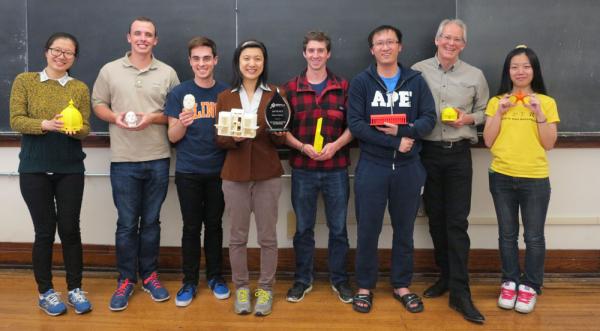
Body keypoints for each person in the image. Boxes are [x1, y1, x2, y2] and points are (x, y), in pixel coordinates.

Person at [92, 17, 179, 311]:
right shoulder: (110, 70)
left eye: (149, 35)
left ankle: (150, 275)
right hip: (124, 159)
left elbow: (177, 114)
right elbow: (97, 104)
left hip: (157, 157)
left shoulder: (167, 73)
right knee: (127, 224)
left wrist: (151, 118)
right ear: (128, 37)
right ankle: (126, 279)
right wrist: (115, 117)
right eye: (138, 33)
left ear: (156, 40)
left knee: (151, 222)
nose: (143, 38)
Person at [347, 25, 436, 314]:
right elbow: (357, 125)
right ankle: (364, 286)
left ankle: (401, 285)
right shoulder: (361, 82)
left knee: (404, 230)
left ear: (400, 47)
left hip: (409, 169)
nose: (385, 47)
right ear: (372, 50)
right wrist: (395, 142)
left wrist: (405, 131)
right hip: (372, 167)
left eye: (391, 42)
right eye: (379, 43)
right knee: (368, 230)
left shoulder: (416, 81)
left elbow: (428, 119)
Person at [411, 19, 488, 324]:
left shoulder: (475, 75)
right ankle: (445, 277)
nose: (451, 43)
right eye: (446, 37)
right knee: (436, 220)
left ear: (463, 45)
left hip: (458, 156)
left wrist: (467, 119)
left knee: (456, 224)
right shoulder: (417, 71)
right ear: (436, 39)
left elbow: (486, 112)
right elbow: (409, 106)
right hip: (426, 155)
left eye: (457, 39)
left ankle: (461, 293)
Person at [10, 32, 92, 316]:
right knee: (44, 232)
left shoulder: (79, 87)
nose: (61, 56)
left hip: (70, 168)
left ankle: (75, 288)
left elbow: (86, 128)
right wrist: (46, 124)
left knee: (70, 230)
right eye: (57, 50)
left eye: (68, 53)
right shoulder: (26, 82)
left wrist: (74, 130)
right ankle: (46, 292)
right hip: (34, 169)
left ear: (74, 58)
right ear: (46, 52)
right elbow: (16, 119)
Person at [483, 45, 559, 314]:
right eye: (514, 66)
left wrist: (539, 113)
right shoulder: (496, 102)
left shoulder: (546, 102)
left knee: (535, 236)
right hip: (502, 176)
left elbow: (549, 143)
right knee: (507, 235)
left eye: (526, 66)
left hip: (535, 178)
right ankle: (510, 281)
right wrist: (501, 113)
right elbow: (489, 141)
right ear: (508, 71)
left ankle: (530, 285)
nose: (520, 71)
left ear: (534, 70)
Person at [215, 39, 286, 317]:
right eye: (246, 58)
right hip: (234, 175)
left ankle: (266, 289)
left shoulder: (276, 93)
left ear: (264, 62)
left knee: (268, 237)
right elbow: (219, 139)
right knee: (237, 237)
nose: (252, 63)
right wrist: (232, 138)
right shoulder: (225, 96)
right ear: (238, 62)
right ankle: (242, 288)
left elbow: (281, 136)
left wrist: (277, 130)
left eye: (257, 58)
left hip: (268, 173)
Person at [283, 31, 354, 304]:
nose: (315, 55)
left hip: (336, 168)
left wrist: (335, 145)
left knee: (338, 228)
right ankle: (302, 280)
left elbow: (354, 126)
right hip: (303, 168)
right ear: (304, 54)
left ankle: (340, 280)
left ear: (328, 54)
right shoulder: (290, 88)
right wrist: (302, 146)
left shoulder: (343, 86)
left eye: (320, 51)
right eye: (311, 51)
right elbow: (282, 130)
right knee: (303, 228)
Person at [164, 36, 230, 307]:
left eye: (207, 58)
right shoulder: (179, 93)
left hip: (219, 171)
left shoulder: (227, 93)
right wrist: (182, 122)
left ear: (215, 60)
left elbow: (233, 133)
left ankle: (215, 277)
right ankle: (189, 281)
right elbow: (173, 136)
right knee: (191, 228)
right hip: (189, 171)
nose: (202, 63)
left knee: (214, 226)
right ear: (190, 62)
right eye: (196, 59)